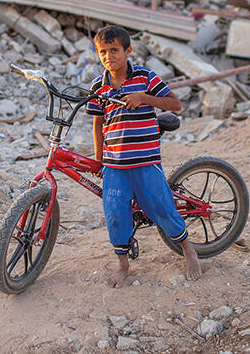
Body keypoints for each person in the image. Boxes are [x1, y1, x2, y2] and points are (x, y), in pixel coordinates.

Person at [86, 25, 202, 288]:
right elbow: (97, 123)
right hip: (115, 165)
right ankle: (123, 265)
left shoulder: (145, 77)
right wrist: (99, 156)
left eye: (114, 50)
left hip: (145, 160)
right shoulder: (98, 86)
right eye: (103, 52)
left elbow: (175, 104)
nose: (109, 56)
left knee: (161, 207)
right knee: (115, 213)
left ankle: (188, 249)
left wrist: (145, 98)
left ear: (128, 51)